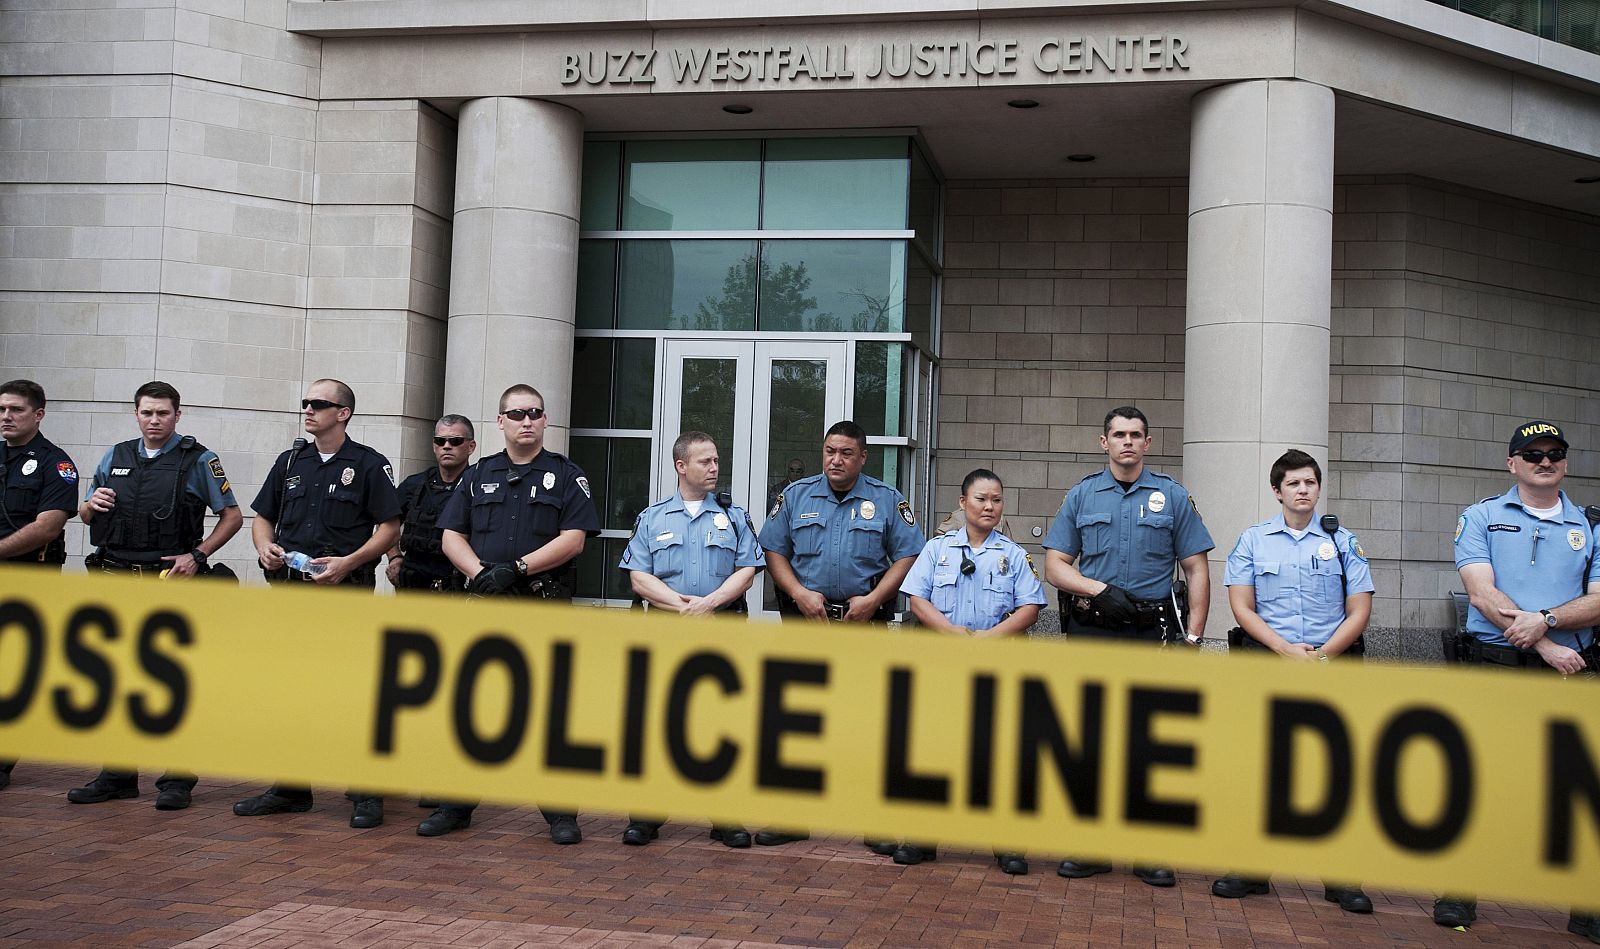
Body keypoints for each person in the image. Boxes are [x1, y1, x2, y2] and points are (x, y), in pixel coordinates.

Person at [1042, 405, 1213, 887]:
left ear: (1148, 442)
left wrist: (1194, 639)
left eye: (1136, 434)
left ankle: (1149, 850)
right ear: (1104, 442)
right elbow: (1055, 565)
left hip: (1150, 633)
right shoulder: (1081, 495)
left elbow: (1197, 568)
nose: (1127, 442)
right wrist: (1098, 591)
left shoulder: (1172, 496)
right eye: (1118, 434)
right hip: (1094, 628)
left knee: (1147, 743)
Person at [1447, 420, 1600, 943]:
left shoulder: (1593, 525)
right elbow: (1480, 592)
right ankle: (1458, 891)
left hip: (1571, 673)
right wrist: (1543, 641)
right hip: (1497, 664)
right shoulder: (1482, 516)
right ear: (1512, 462)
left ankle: (1587, 908)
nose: (1544, 460)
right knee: (1478, 781)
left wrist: (1549, 621)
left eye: (1555, 452)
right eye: (1531, 453)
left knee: (1577, 790)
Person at [1208, 449, 1374, 913]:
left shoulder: (1343, 541)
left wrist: (1322, 657)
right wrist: (1284, 651)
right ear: (1277, 490)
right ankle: (1251, 868)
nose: (1304, 490)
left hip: (1331, 665)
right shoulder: (1253, 541)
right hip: (1267, 665)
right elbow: (1242, 606)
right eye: (1294, 483)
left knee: (1335, 771)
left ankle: (1342, 877)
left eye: (1311, 483)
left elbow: (1359, 607)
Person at [436, 384, 601, 844]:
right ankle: (457, 804)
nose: (526, 421)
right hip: (486, 603)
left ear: (545, 420)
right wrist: (481, 574)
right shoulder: (478, 474)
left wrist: (519, 568)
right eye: (516, 414)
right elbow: (451, 534)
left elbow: (575, 537)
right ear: (500, 422)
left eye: (534, 413)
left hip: (541, 604)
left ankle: (561, 812)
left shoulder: (567, 475)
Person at [233, 379, 401, 829]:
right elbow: (263, 516)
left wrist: (350, 562)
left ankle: (367, 792)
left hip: (343, 596)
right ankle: (291, 787)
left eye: (319, 404)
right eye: (305, 403)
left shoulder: (368, 464)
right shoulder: (290, 461)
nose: (308, 409)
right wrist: (264, 545)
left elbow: (388, 528)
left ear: (343, 413)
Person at [69, 381, 244, 810]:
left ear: (177, 416)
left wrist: (197, 556)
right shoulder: (116, 455)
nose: (154, 420)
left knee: (171, 679)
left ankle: (177, 777)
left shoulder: (198, 459)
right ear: (136, 414)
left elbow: (233, 516)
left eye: (162, 413)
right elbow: (86, 510)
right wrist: (90, 506)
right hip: (116, 580)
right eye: (146, 412)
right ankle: (118, 774)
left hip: (170, 583)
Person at [757, 419, 924, 848]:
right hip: (807, 621)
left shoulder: (886, 500)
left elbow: (908, 554)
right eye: (830, 451)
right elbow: (773, 550)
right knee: (798, 719)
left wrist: (874, 599)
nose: (836, 459)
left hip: (861, 622)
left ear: (863, 457)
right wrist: (797, 592)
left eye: (846, 453)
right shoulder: (795, 496)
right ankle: (791, 816)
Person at [617, 431, 764, 848]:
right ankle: (646, 815)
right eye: (705, 461)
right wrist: (683, 608)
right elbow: (639, 577)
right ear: (681, 466)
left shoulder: (734, 517)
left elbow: (747, 570)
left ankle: (725, 816)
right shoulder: (653, 518)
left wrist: (710, 604)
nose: (714, 468)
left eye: (716, 460)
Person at [899, 468, 1045, 873]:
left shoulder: (1013, 555)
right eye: (981, 499)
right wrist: (950, 633)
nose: (989, 506)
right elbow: (917, 599)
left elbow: (1030, 607)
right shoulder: (936, 550)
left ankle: (1007, 842)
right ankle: (922, 836)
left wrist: (988, 639)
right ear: (963, 503)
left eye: (996, 500)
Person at [0, 379, 78, 791]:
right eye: (1, 410)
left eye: (15, 410)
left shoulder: (55, 463)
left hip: (28, 581)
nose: (6, 417)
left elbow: (47, 526)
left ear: (38, 415)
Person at [388, 415, 475, 594]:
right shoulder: (414, 484)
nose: (447, 446)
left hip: (456, 590)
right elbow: (387, 524)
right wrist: (394, 557)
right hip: (411, 589)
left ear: (471, 447)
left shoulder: (478, 487)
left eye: (456, 441)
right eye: (440, 440)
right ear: (434, 445)